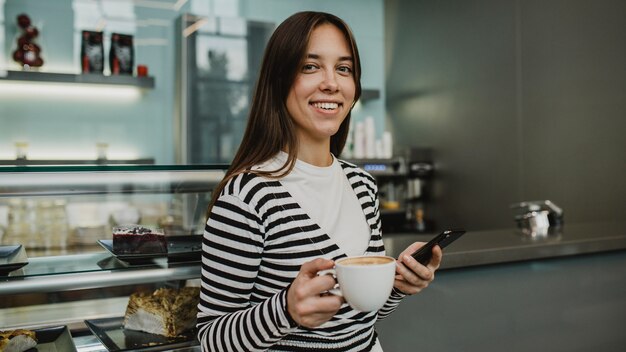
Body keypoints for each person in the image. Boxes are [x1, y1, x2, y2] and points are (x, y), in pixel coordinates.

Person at [197, 11, 442, 351]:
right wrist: (286, 310)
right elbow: (212, 338)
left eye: (344, 69)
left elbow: (358, 319)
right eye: (310, 66)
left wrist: (398, 284)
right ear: (279, 80)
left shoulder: (362, 185)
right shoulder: (247, 198)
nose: (332, 82)